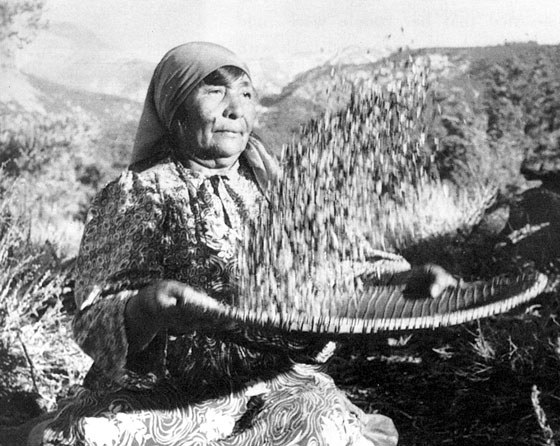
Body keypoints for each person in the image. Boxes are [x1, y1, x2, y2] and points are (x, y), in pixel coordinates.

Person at [27, 41, 454, 446]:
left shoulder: (272, 188)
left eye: (246, 94)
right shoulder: (138, 194)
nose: (235, 109)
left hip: (266, 381)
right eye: (215, 92)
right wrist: (149, 307)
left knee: (320, 427)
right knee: (96, 437)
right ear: (174, 108)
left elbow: (332, 265)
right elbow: (93, 315)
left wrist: (404, 276)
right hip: (161, 389)